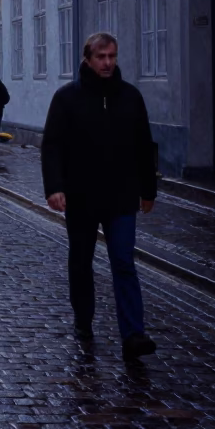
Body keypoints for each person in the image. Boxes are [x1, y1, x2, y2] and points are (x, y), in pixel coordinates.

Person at [41, 32, 158, 361]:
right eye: (102, 57)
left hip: (121, 196)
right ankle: (83, 319)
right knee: (81, 261)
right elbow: (52, 145)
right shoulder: (67, 99)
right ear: (88, 58)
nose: (108, 63)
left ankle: (134, 334)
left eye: (112, 57)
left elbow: (143, 146)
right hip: (81, 196)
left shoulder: (130, 97)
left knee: (123, 262)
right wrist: (55, 187)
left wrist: (148, 190)